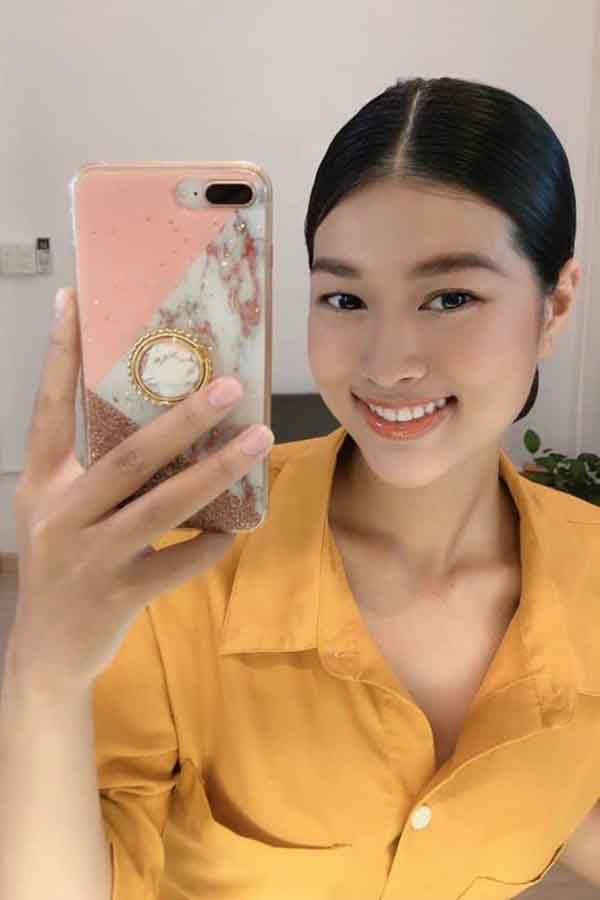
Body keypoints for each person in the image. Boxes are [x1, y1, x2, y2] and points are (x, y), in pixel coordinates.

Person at [4, 75, 599, 900]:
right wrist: (43, 673)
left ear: (556, 305)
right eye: (345, 298)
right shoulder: (173, 569)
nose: (388, 363)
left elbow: (560, 800)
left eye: (450, 297)